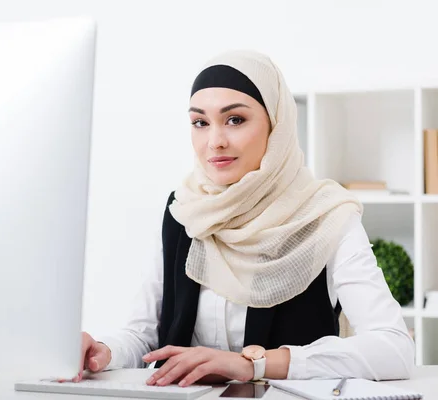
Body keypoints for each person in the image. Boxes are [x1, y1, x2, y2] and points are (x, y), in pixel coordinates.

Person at [76, 50, 415, 387]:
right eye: (200, 123)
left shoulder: (325, 215)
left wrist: (256, 364)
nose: (215, 142)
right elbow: (144, 333)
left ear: (276, 124)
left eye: (235, 120)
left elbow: (394, 348)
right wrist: (104, 352)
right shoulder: (184, 210)